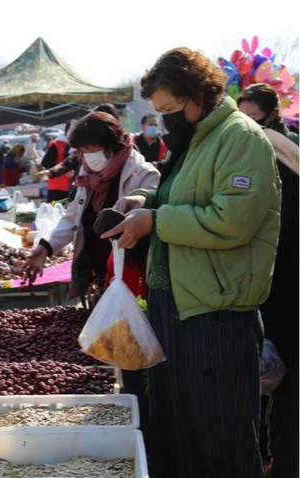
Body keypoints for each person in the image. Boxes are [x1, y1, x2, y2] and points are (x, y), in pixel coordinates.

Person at [103, 48, 280, 478]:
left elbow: (232, 220)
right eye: (158, 111)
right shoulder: (197, 138)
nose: (165, 119)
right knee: (178, 430)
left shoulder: (241, 138)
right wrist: (144, 201)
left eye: (171, 108)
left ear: (200, 92)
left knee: (221, 440)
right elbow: (183, 197)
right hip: (176, 302)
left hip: (215, 313)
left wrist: (157, 220)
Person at [23, 111, 159, 303]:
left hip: (131, 272)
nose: (88, 155)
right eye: (83, 150)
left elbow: (150, 217)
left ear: (112, 146)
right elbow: (72, 218)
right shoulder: (87, 176)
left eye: (92, 148)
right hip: (96, 270)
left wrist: (137, 203)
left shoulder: (143, 174)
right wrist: (46, 248)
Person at [238, 84, 300, 478]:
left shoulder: (265, 154)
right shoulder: (283, 146)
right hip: (286, 287)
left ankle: (279, 463)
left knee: (280, 383)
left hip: (285, 289)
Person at [238, 82, 300, 147]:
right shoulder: (239, 141)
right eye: (241, 117)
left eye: (252, 118)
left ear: (273, 114)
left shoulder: (292, 145)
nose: (245, 124)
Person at [41, 133, 72, 202]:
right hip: (58, 184)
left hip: (67, 184)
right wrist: (64, 171)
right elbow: (45, 162)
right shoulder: (57, 144)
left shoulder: (70, 145)